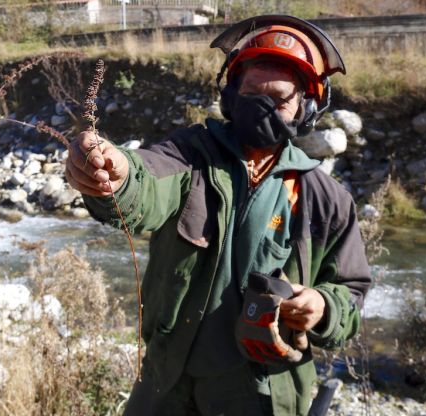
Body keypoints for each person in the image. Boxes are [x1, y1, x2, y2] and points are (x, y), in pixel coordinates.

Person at [65, 15, 372, 416]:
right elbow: (146, 180)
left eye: (279, 99)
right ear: (229, 98)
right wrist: (115, 174)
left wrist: (322, 305)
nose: (263, 108)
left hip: (263, 394)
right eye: (250, 95)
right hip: (165, 384)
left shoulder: (326, 199)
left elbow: (350, 292)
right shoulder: (189, 155)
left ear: (308, 106)